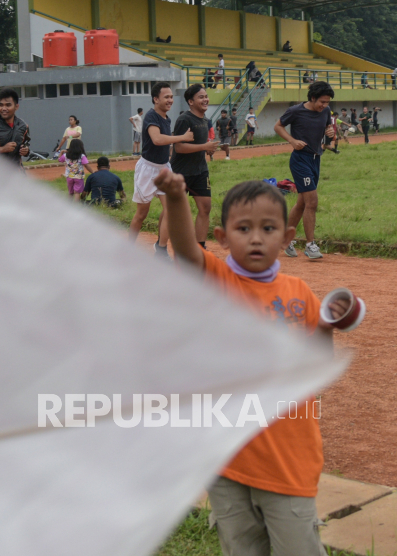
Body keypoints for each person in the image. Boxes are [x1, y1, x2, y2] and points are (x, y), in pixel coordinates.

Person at [153, 171, 352, 556]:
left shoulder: (300, 293)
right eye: (243, 228)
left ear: (287, 237)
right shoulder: (216, 280)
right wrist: (177, 197)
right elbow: (185, 248)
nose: (257, 237)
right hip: (227, 463)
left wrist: (326, 330)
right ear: (223, 237)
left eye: (268, 228)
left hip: (288, 460)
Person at [128, 81, 193, 257]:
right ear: (156, 99)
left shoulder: (166, 118)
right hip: (147, 169)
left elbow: (163, 142)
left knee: (171, 209)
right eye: (167, 97)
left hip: (164, 168)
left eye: (172, 97)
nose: (170, 100)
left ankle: (161, 249)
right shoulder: (151, 117)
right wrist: (182, 137)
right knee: (142, 214)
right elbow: (157, 139)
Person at [273, 80, 335, 260]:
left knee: (302, 203)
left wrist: (329, 132)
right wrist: (292, 141)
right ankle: (310, 245)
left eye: (327, 102)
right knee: (312, 202)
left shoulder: (325, 111)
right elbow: (278, 126)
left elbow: (326, 128)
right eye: (322, 101)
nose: (324, 105)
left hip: (316, 159)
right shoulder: (295, 111)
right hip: (300, 160)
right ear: (313, 98)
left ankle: (285, 239)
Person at [170, 84, 220, 249]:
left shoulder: (205, 120)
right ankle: (168, 246)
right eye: (201, 97)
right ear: (190, 101)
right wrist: (204, 147)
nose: (205, 99)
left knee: (205, 207)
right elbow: (179, 147)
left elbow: (200, 144)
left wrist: (209, 148)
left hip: (200, 170)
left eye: (206, 96)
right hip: (181, 172)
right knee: (177, 214)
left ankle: (200, 247)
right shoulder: (184, 119)